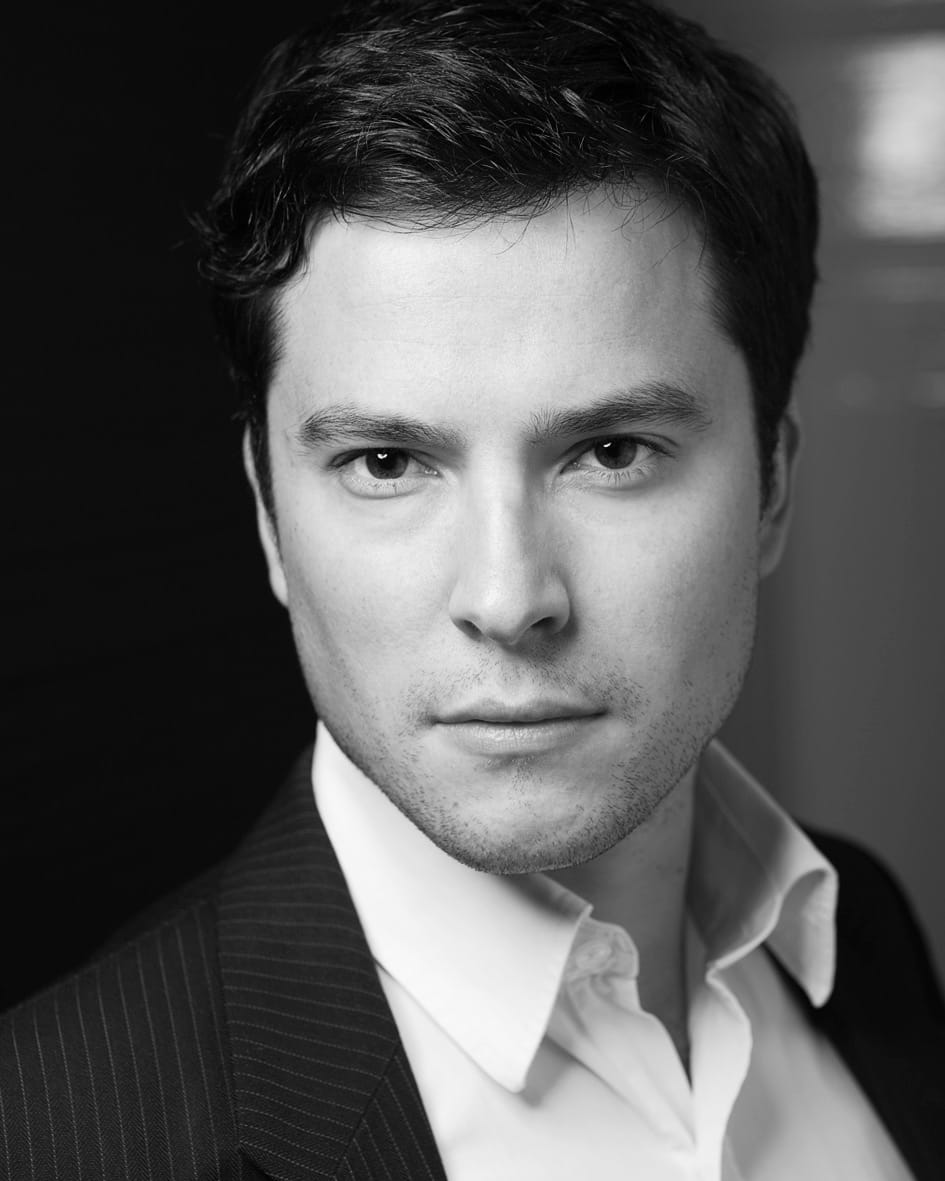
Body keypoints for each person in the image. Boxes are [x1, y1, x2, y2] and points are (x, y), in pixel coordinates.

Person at [2, 1, 943, 1177]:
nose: (508, 598)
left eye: (611, 452)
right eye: (387, 463)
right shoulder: (53, 1135)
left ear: (773, 487)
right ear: (269, 515)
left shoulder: (865, 934)